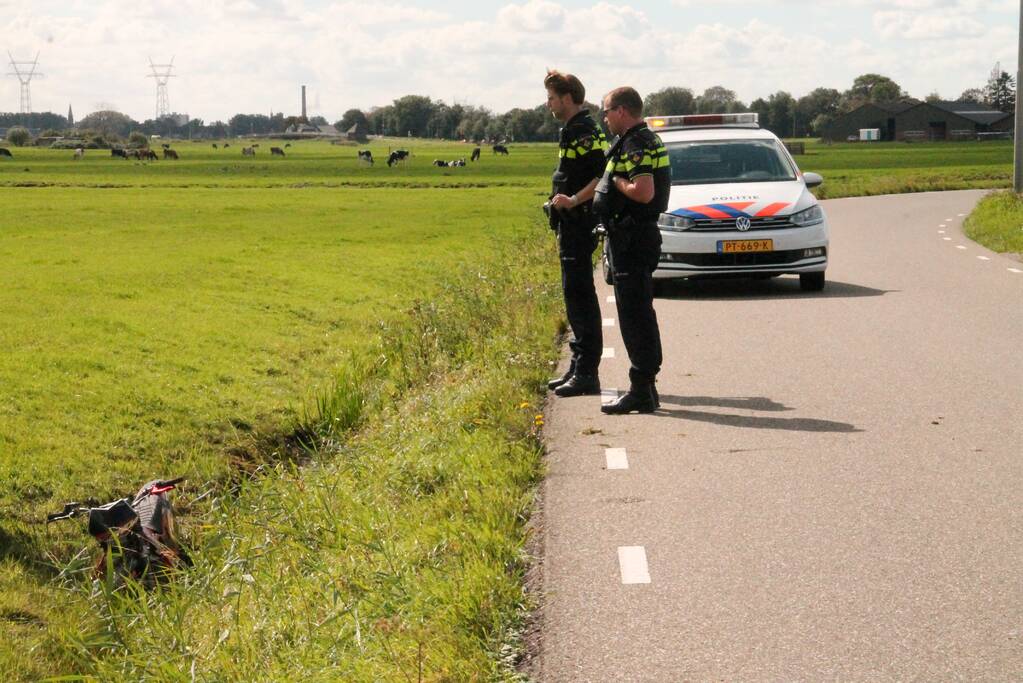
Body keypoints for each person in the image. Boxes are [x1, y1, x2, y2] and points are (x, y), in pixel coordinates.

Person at [594, 86, 670, 414]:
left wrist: (618, 182)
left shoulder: (636, 143)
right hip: (633, 237)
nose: (605, 117)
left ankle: (641, 386)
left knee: (635, 314)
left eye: (607, 111)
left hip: (633, 238)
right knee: (638, 311)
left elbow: (643, 192)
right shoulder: (641, 140)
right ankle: (645, 388)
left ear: (622, 111)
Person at [543, 70, 609, 397]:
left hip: (578, 223)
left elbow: (601, 175)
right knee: (574, 294)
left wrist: (573, 199)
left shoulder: (583, 129)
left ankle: (587, 373)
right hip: (570, 223)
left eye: (552, 98)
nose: (548, 104)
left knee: (580, 296)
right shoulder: (573, 128)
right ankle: (578, 365)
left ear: (567, 98)